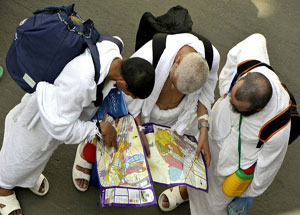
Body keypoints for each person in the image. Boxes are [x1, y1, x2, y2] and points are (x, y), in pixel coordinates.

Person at [0, 36, 155, 215]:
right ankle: (3, 187)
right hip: (42, 119)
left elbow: (117, 39)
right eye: (132, 95)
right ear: (122, 84)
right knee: (22, 153)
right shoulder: (82, 83)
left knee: (38, 155)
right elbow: (60, 129)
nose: (131, 99)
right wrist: (97, 128)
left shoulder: (113, 50)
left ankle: (25, 178)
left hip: (59, 109)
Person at [183, 33, 291, 214]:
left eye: (236, 106)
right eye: (232, 97)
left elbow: (268, 167)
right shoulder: (251, 65)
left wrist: (247, 193)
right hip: (212, 132)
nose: (230, 102)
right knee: (193, 169)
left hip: (229, 168)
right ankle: (184, 192)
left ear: (255, 110)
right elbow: (256, 38)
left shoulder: (277, 126)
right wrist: (226, 88)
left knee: (212, 206)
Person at [125, 33, 220, 211]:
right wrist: (137, 127)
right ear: (177, 60)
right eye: (174, 83)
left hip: (175, 120)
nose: (173, 89)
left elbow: (206, 94)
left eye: (179, 90)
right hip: (142, 111)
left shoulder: (211, 57)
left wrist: (203, 127)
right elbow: (130, 98)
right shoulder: (150, 54)